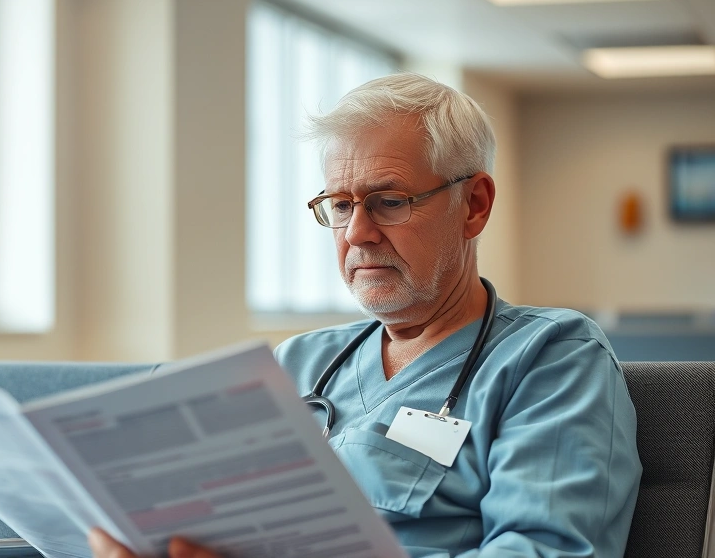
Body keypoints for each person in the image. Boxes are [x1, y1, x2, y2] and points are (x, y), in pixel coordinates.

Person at [88, 72, 642, 558]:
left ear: (473, 205)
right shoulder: (300, 362)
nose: (356, 233)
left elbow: (544, 551)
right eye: (341, 205)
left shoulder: (551, 360)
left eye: (389, 201)